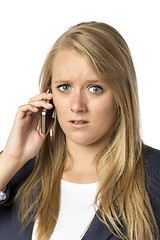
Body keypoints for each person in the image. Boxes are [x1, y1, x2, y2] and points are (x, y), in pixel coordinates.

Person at [0, 21, 160, 240]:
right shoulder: (16, 171)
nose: (77, 105)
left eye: (95, 88)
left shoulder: (154, 176)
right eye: (64, 87)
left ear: (121, 96)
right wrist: (11, 158)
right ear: (49, 95)